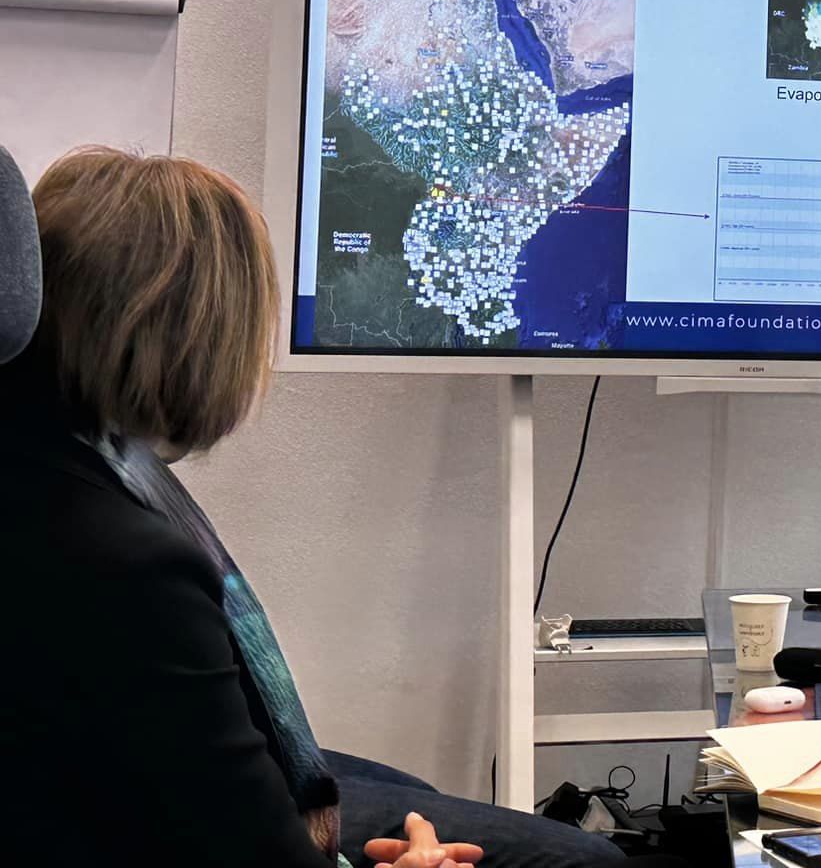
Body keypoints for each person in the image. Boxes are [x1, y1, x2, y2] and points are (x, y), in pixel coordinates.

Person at [0, 146, 631, 867]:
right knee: (587, 861)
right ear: (197, 336)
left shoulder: (42, 457)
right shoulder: (130, 564)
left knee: (413, 794)